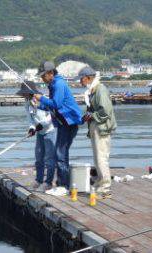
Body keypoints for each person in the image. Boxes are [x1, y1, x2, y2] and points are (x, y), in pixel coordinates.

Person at [33, 61, 82, 195]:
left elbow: (56, 104)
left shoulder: (59, 84)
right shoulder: (53, 84)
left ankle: (63, 186)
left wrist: (41, 98)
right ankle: (62, 184)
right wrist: (39, 105)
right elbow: (52, 106)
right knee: (61, 153)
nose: (42, 78)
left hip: (69, 122)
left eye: (43, 75)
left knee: (60, 154)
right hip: (63, 122)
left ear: (51, 73)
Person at [79, 66, 117, 199]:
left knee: (101, 158)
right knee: (97, 158)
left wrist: (92, 116)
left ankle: (105, 188)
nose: (80, 82)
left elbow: (105, 111)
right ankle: (100, 182)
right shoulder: (93, 90)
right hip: (96, 126)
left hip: (101, 128)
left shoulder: (100, 89)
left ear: (88, 77)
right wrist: (89, 115)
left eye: (81, 79)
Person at [16, 81, 56, 191]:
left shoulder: (43, 100)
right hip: (40, 133)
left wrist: (41, 125)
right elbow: (30, 119)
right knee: (39, 158)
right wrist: (32, 128)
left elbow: (51, 116)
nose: (23, 96)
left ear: (30, 92)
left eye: (25, 93)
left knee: (49, 159)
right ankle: (38, 180)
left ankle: (48, 182)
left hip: (50, 131)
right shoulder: (27, 103)